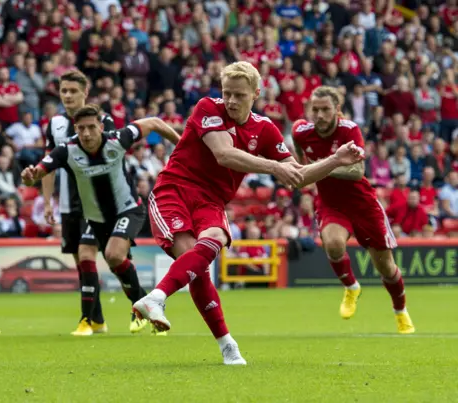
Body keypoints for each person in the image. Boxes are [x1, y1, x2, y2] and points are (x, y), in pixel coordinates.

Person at [131, 61, 364, 366]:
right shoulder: (207, 108)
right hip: (174, 190)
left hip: (211, 201)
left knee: (213, 240)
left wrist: (334, 160)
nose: (230, 100)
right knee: (195, 264)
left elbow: (299, 176)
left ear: (255, 94)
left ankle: (159, 301)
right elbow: (224, 154)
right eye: (227, 93)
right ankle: (221, 340)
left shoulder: (264, 129)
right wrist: (273, 166)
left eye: (239, 95)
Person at [23, 105, 181, 336]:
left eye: (91, 127)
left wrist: (181, 144)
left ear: (101, 126)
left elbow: (154, 122)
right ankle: (143, 305)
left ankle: (97, 317)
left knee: (113, 255)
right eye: (81, 129)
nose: (86, 134)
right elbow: (40, 171)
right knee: (112, 263)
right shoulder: (67, 150)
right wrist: (30, 176)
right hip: (95, 218)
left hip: (128, 210)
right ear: (75, 129)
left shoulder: (118, 139)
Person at [291, 86, 415, 334]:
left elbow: (357, 171)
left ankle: (400, 310)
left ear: (337, 110)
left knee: (386, 268)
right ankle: (351, 287)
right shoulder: (301, 131)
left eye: (325, 109)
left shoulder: (349, 130)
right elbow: (299, 156)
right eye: (315, 109)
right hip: (331, 204)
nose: (320, 115)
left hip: (363, 205)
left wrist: (321, 167)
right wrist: (303, 167)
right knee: (333, 244)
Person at [42, 70, 116, 335]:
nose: (68, 96)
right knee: (80, 262)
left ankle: (86, 319)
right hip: (68, 202)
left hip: (95, 201)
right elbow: (49, 164)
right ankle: (98, 319)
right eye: (64, 91)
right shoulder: (55, 124)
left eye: (73, 91)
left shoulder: (104, 120)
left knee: (88, 255)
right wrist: (48, 202)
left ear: (85, 92)